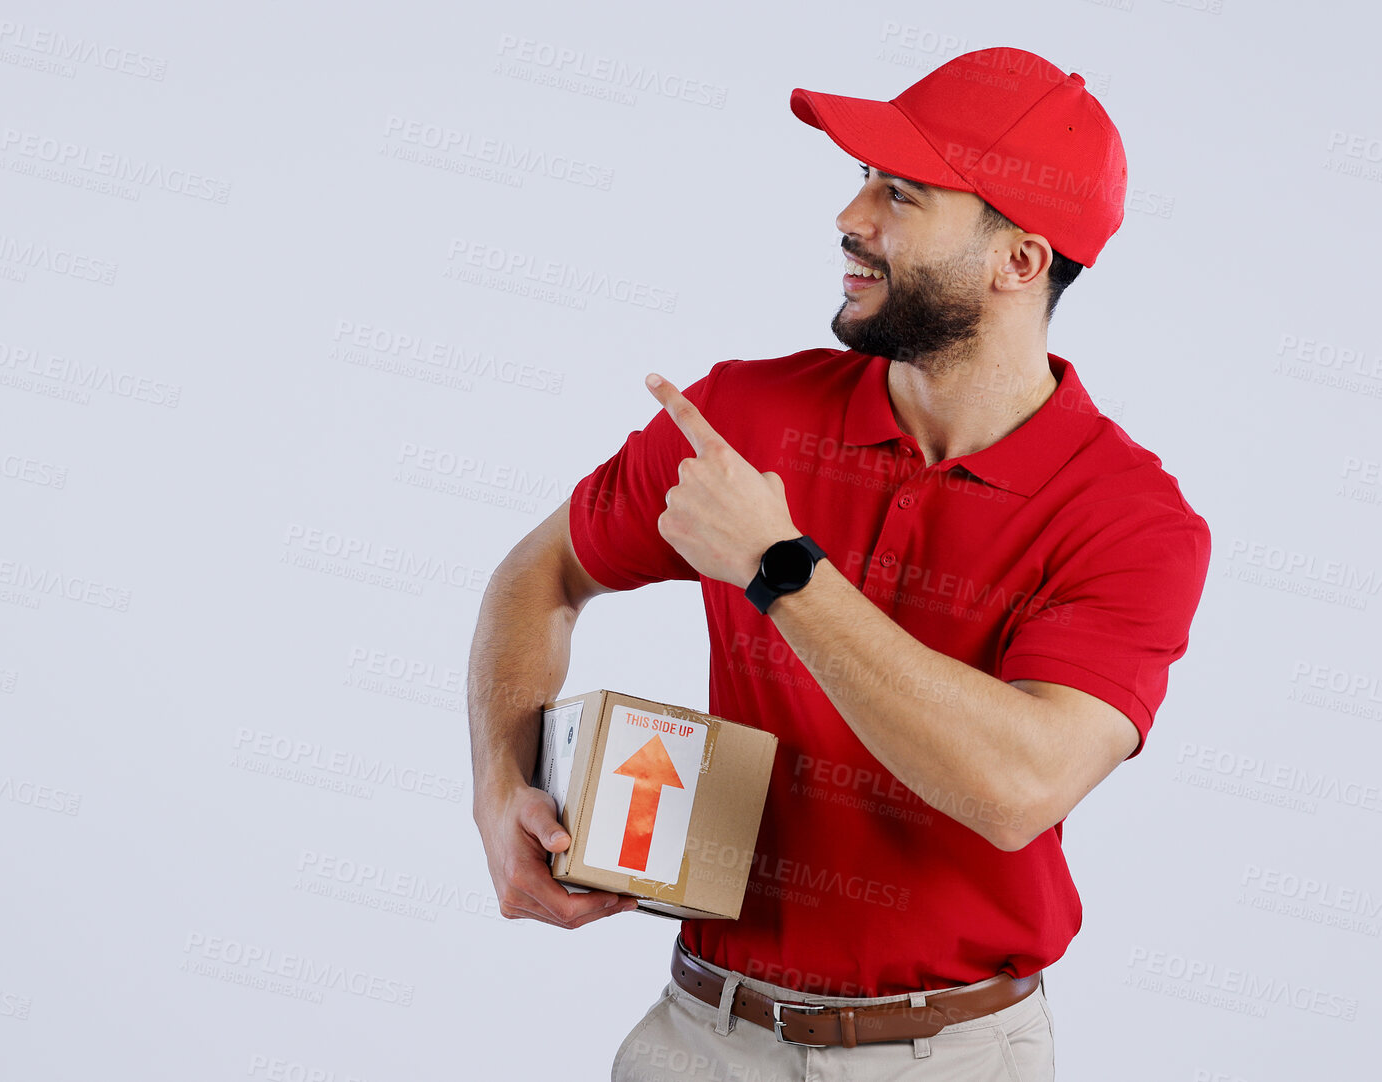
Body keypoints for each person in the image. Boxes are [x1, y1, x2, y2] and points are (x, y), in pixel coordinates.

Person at [465, 47, 1211, 1081]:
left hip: (952, 1054)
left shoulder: (1131, 519)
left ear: (1019, 261)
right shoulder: (741, 417)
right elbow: (539, 570)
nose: (851, 215)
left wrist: (777, 563)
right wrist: (498, 785)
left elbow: (1015, 783)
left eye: (899, 193)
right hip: (698, 1035)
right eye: (861, 178)